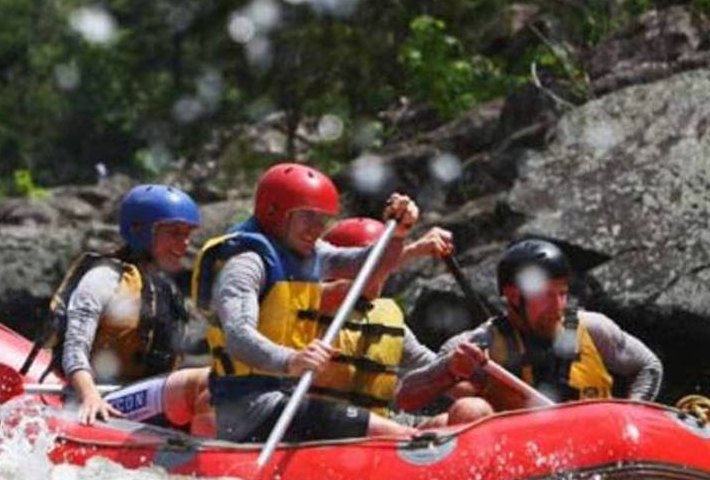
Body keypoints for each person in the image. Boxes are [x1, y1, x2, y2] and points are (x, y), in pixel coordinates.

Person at [191, 162, 421, 443]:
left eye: (322, 218)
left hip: (289, 397)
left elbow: (368, 265)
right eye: (307, 216)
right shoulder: (246, 263)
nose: (317, 228)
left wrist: (397, 233)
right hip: (249, 408)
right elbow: (238, 337)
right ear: (274, 212)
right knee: (397, 436)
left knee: (378, 428)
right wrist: (292, 360)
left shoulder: (312, 252)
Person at [396, 238, 664, 412]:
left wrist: (633, 414)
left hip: (599, 451)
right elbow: (406, 396)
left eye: (563, 293)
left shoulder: (592, 327)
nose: (559, 305)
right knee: (469, 409)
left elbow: (648, 366)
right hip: (526, 461)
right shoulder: (480, 343)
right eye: (547, 295)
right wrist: (449, 369)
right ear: (513, 295)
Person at [36, 183, 211, 428]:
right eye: (174, 233)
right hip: (101, 398)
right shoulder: (103, 278)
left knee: (222, 385)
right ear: (141, 231)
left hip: (140, 397)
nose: (184, 244)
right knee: (204, 382)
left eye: (187, 234)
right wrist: (89, 395)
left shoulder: (166, 288)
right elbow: (74, 346)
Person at [312, 217, 492, 427]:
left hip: (382, 421)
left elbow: (431, 368)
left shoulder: (385, 318)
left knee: (466, 415)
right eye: (380, 262)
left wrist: (470, 375)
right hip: (323, 428)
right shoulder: (313, 308)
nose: (383, 274)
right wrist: (415, 249)